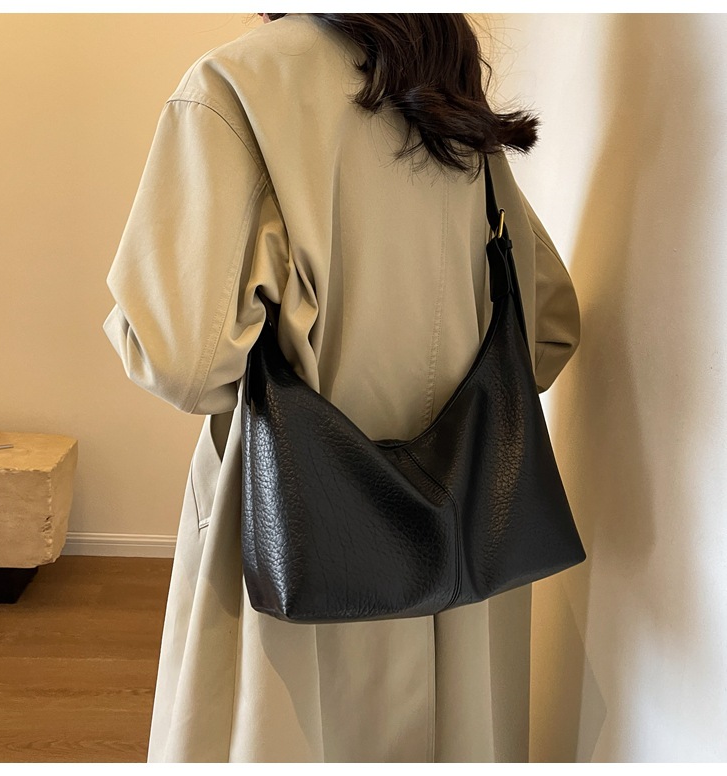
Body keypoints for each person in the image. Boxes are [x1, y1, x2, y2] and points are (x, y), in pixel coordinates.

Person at [102, 13, 581, 763]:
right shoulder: (447, 93)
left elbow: (183, 361)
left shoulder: (233, 87)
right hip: (463, 554)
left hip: (296, 528)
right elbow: (547, 330)